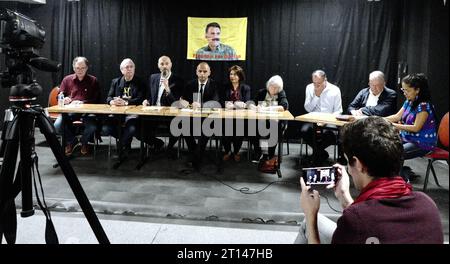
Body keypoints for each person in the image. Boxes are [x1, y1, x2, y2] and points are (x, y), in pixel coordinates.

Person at [298, 116, 443, 244]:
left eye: (349, 162)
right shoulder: (428, 205)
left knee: (308, 225)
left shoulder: (355, 220)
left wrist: (311, 215)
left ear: (359, 164)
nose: (349, 170)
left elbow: (363, 223)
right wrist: (344, 196)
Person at [385, 73, 437, 179]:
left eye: (407, 90)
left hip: (422, 143)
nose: (404, 93)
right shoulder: (409, 101)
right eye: (403, 90)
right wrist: (379, 119)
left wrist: (394, 125)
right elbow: (397, 116)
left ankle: (398, 181)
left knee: (396, 152)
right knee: (385, 146)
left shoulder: (423, 106)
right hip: (408, 138)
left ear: (417, 90)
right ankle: (396, 177)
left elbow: (416, 128)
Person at [54, 56, 101, 156]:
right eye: (77, 68)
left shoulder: (93, 80)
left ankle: (84, 142)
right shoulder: (67, 79)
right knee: (57, 125)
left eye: (82, 68)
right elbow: (59, 96)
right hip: (70, 111)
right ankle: (72, 141)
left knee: (92, 127)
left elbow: (97, 99)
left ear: (87, 68)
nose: (79, 70)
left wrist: (82, 102)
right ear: (73, 68)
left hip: (87, 112)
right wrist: (64, 99)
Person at [101, 58, 145, 159]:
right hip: (117, 114)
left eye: (131, 67)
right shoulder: (115, 82)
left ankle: (121, 144)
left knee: (132, 128)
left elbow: (140, 99)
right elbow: (109, 97)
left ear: (134, 68)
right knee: (106, 128)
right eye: (127, 67)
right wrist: (112, 102)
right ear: (122, 70)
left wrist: (125, 103)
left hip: (132, 114)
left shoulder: (140, 82)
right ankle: (125, 142)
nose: (129, 69)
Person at [180, 62, 220, 170]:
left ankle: (195, 158)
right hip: (193, 118)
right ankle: (196, 154)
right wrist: (184, 103)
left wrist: (201, 105)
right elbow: (182, 100)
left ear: (209, 72)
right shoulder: (190, 84)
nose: (202, 74)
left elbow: (215, 103)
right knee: (184, 126)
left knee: (206, 128)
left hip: (208, 119)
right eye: (200, 71)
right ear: (196, 72)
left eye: (205, 71)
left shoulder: (214, 85)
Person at [142, 55, 184, 155]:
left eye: (166, 64)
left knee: (179, 126)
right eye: (162, 64)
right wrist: (146, 100)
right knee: (141, 127)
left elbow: (175, 103)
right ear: (158, 66)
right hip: (153, 113)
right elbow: (149, 95)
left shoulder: (178, 80)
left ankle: (169, 147)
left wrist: (167, 88)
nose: (164, 66)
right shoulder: (153, 77)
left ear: (171, 65)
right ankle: (158, 143)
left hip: (170, 114)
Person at [301, 70, 342, 162]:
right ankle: (321, 153)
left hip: (330, 120)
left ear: (325, 80)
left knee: (332, 134)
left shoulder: (335, 90)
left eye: (319, 83)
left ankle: (316, 154)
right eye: (314, 82)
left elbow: (338, 111)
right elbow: (307, 108)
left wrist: (327, 120)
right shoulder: (309, 88)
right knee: (304, 131)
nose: (316, 86)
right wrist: (317, 96)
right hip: (313, 120)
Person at [249, 75, 288, 162]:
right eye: (272, 87)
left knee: (274, 127)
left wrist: (266, 108)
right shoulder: (262, 92)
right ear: (268, 85)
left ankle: (270, 154)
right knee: (251, 127)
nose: (274, 89)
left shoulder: (281, 93)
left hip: (276, 121)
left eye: (276, 88)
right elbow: (252, 103)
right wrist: (255, 107)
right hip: (261, 120)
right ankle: (258, 152)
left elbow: (284, 106)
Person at [220, 65, 251, 162]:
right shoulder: (224, 87)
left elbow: (246, 103)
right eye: (231, 74)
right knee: (224, 130)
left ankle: (236, 152)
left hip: (240, 117)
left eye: (235, 74)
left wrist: (232, 105)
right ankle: (228, 151)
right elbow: (221, 102)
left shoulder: (245, 88)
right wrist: (236, 104)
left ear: (240, 76)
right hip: (226, 116)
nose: (232, 76)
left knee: (239, 131)